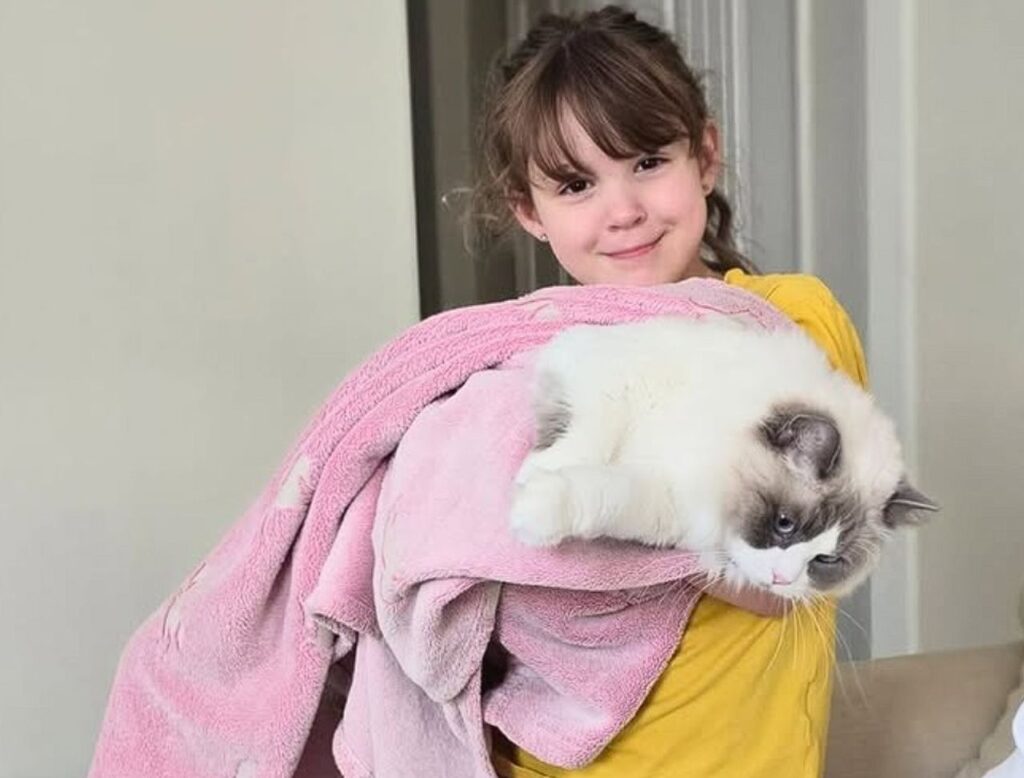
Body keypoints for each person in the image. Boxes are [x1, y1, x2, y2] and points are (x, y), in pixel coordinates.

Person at [471, 6, 868, 777]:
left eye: (648, 161)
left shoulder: (788, 322)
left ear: (705, 156)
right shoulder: (516, 368)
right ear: (529, 210)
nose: (623, 211)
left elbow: (781, 572)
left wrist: (589, 515)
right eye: (577, 183)